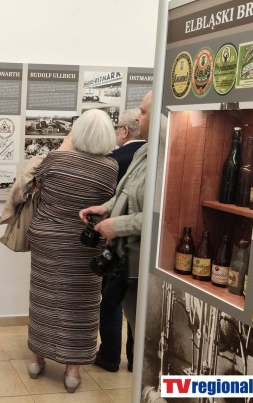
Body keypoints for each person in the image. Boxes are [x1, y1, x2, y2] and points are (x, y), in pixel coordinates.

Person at [27, 109, 118, 393]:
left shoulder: (55, 159)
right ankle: (72, 371)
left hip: (47, 240)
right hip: (84, 243)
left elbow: (38, 183)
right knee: (81, 304)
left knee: (43, 298)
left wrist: (64, 147)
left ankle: (37, 360)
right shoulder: (110, 167)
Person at [79, 91, 153, 373]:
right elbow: (126, 191)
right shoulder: (145, 152)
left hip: (141, 258)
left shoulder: (170, 155)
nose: (138, 117)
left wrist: (116, 225)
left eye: (143, 112)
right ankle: (134, 367)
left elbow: (161, 216)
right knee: (128, 313)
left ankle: (137, 370)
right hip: (125, 256)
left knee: (142, 328)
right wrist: (105, 207)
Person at [95, 107, 145, 373]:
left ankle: (110, 355)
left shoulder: (113, 159)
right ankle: (136, 361)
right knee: (138, 305)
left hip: (122, 242)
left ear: (124, 131)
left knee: (112, 300)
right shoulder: (145, 154)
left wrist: (113, 220)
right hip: (141, 249)